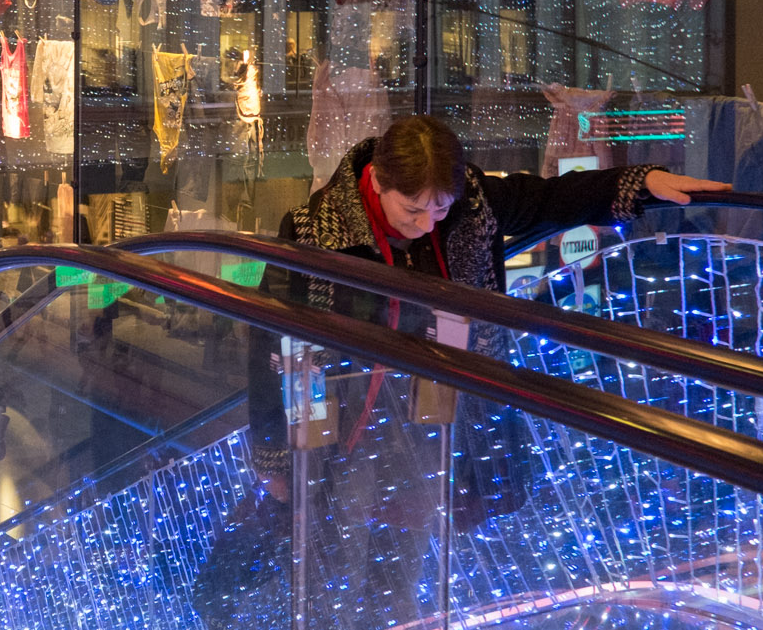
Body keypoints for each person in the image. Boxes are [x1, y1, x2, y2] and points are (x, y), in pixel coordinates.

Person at [222, 115, 729, 629]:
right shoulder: (315, 229)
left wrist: (642, 183)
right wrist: (273, 454)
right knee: (335, 564)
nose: (426, 224)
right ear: (376, 180)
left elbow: (550, 199)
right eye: (412, 209)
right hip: (342, 433)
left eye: (439, 209)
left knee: (404, 561)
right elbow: (274, 346)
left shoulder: (472, 206)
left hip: (430, 421)